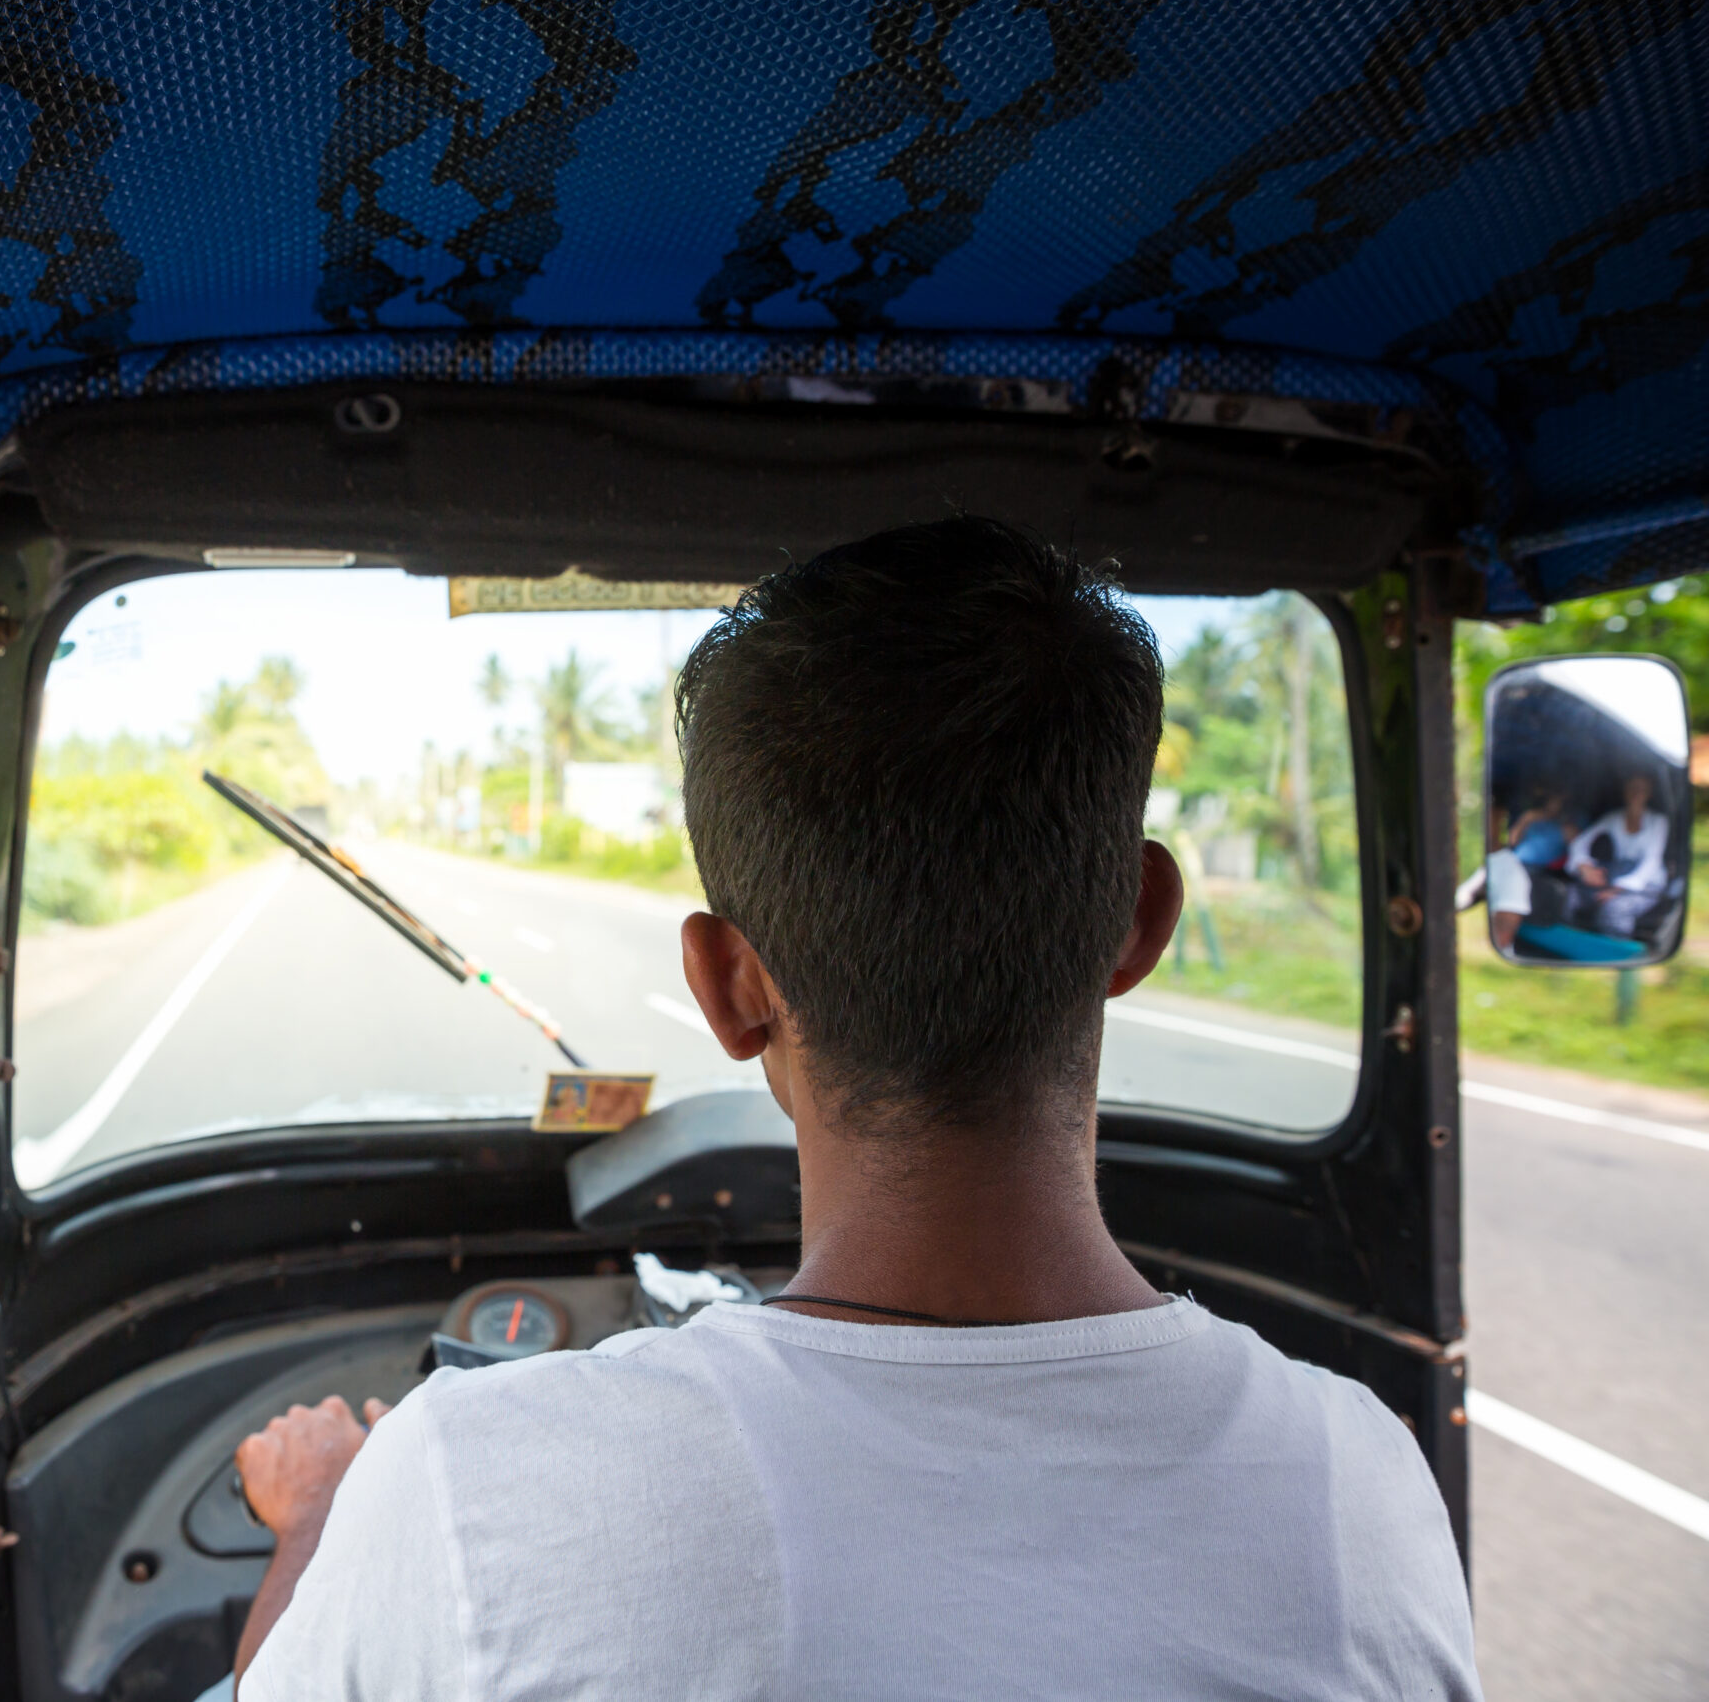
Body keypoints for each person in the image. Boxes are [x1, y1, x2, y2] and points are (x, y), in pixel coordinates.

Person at [228, 519, 1479, 1700]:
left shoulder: (469, 1482)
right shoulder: (1358, 1485)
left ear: (726, 988)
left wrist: (321, 1522)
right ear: (1140, 922)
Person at [1565, 773, 1669, 938]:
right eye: (1632, 788)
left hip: (1645, 884)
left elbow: (1652, 861)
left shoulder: (1659, 822)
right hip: (1613, 875)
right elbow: (1580, 843)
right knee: (1569, 898)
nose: (1636, 793)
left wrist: (1618, 889)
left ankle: (1617, 955)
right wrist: (1584, 867)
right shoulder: (1613, 818)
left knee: (1614, 909)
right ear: (1624, 792)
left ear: (1649, 794)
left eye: (1641, 790)